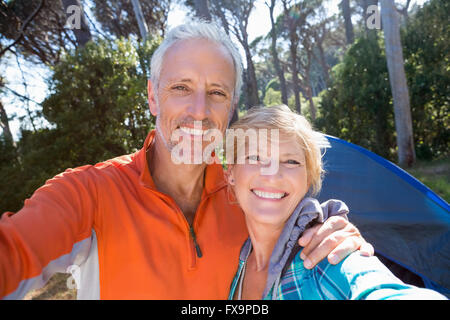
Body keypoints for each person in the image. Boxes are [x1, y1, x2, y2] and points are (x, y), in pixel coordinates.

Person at [0, 20, 372, 300]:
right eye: (181, 88)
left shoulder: (248, 191)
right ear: (152, 97)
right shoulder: (87, 193)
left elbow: (309, 235)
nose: (199, 111)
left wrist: (337, 239)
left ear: (230, 108)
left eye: (216, 92)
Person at [225, 105, 446, 300]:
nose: (272, 174)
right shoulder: (238, 259)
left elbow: (374, 287)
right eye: (254, 158)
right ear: (231, 173)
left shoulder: (329, 258)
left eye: (291, 161)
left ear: (309, 179)